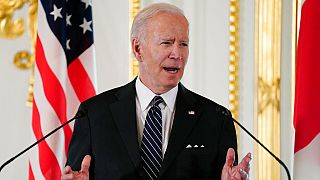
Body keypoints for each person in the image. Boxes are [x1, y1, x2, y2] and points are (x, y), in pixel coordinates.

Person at [62, 3, 251, 180]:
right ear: (138, 48)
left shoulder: (216, 118)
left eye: (184, 44)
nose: (177, 54)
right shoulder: (94, 114)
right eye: (167, 43)